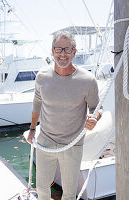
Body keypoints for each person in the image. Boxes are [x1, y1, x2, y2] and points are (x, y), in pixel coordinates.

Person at [27, 31, 102, 200]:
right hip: (45, 142)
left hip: (72, 144)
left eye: (67, 49)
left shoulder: (88, 80)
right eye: (58, 49)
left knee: (69, 194)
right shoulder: (42, 77)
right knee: (42, 188)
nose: (62, 54)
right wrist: (32, 129)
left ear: (74, 52)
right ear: (52, 51)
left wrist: (94, 119)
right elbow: (37, 103)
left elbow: (96, 107)